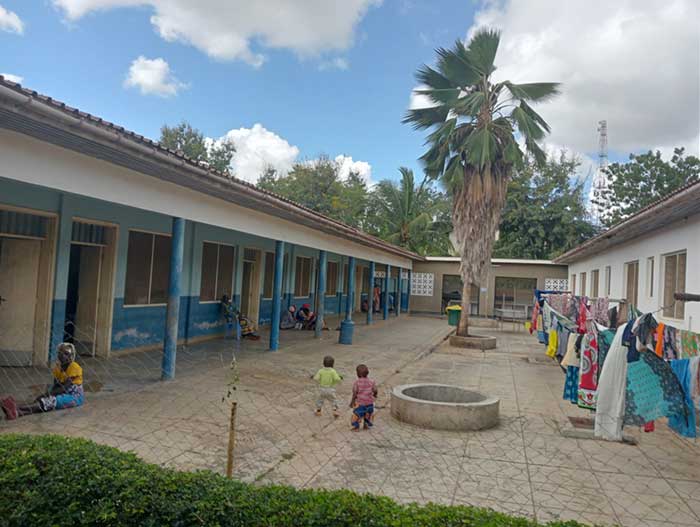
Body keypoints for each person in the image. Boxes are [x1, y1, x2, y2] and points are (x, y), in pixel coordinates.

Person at [1, 343, 84, 420]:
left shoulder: (75, 367)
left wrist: (47, 395)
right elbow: (56, 385)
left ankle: (16, 407)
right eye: (60, 353)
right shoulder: (58, 368)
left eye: (66, 353)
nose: (62, 355)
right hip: (62, 392)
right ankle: (17, 413)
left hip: (74, 396)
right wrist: (46, 394)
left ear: (71, 356)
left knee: (50, 401)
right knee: (43, 400)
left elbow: (64, 388)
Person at [350, 364, 378, 431]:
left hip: (360, 403)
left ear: (357, 374)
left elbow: (354, 392)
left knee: (357, 415)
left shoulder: (357, 382)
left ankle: (356, 427)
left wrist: (352, 402)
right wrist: (375, 394)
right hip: (369, 403)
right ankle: (366, 425)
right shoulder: (372, 381)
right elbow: (375, 390)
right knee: (368, 414)